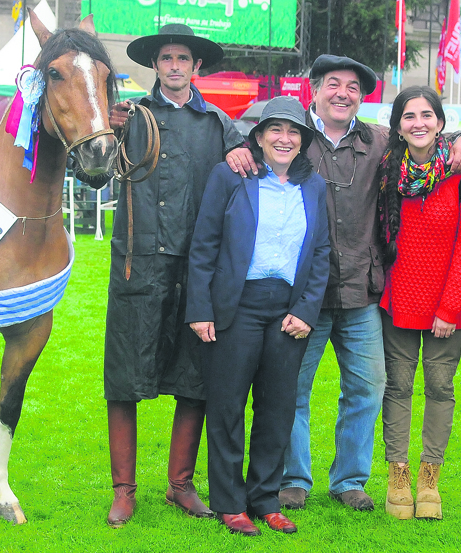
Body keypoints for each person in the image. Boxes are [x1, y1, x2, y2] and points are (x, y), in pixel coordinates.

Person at [225, 55, 461, 513]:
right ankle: (294, 478)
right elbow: (248, 141)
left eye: (353, 88)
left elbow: (422, 141)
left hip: (363, 291)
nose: (343, 93)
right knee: (290, 389)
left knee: (368, 387)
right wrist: (234, 146)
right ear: (315, 92)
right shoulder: (293, 139)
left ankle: (349, 480)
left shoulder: (380, 141)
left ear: (363, 98)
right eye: (333, 85)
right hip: (305, 296)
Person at [99, 23, 245, 528]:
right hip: (138, 265)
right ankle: (124, 489)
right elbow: (91, 171)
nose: (176, 65)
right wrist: (107, 129)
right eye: (167, 58)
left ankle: (179, 484)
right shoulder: (129, 116)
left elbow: (256, 173)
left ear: (197, 66)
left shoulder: (221, 125)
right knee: (124, 377)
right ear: (155, 66)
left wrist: (243, 153)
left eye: (184, 58)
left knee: (195, 378)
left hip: (198, 271)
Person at [186, 96, 330, 536]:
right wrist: (200, 307)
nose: (284, 139)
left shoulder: (315, 187)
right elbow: (204, 244)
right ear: (260, 136)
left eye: (294, 132)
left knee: (278, 407)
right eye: (276, 131)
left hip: (287, 309)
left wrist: (307, 309)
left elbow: (321, 252)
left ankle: (265, 498)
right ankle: (230, 502)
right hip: (236, 304)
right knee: (228, 406)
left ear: (303, 140)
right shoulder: (232, 176)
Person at [374, 86, 461, 521]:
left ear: (440, 121)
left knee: (440, 389)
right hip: (397, 301)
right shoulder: (386, 171)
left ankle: (429, 477)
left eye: (427, 115)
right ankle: (397, 474)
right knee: (397, 387)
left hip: (447, 308)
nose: (418, 123)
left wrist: (448, 310)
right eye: (409, 116)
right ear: (397, 125)